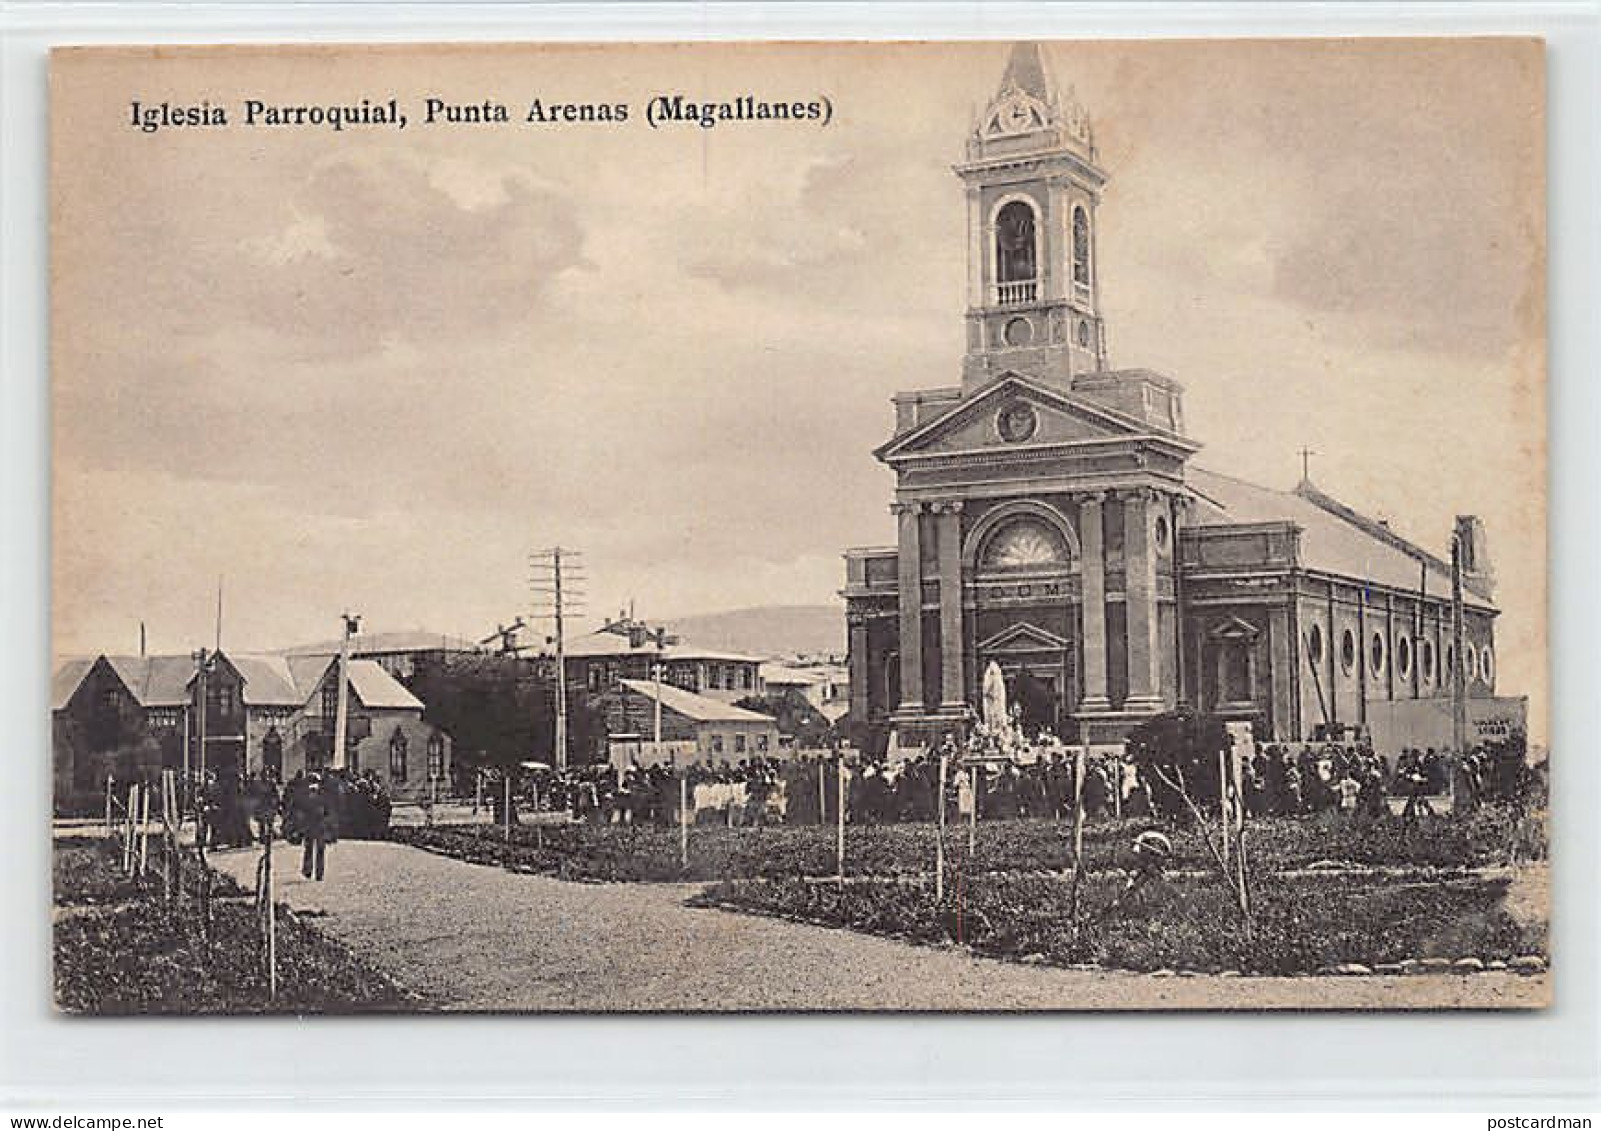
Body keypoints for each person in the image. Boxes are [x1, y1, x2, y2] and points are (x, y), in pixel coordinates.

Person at [296, 771, 339, 881]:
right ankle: (316, 873)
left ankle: (310, 871)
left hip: (315, 825)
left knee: (312, 849)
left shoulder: (307, 795)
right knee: (316, 849)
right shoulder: (321, 795)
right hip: (317, 825)